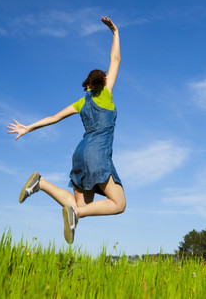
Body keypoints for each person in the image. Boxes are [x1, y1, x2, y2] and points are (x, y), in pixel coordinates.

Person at [7, 16, 126, 244]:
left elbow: (54, 118)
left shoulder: (81, 102)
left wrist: (27, 127)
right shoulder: (106, 95)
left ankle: (40, 183)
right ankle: (76, 215)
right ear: (103, 82)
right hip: (97, 154)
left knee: (80, 204)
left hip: (80, 154)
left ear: (88, 85)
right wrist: (115, 31)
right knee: (118, 204)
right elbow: (116, 59)